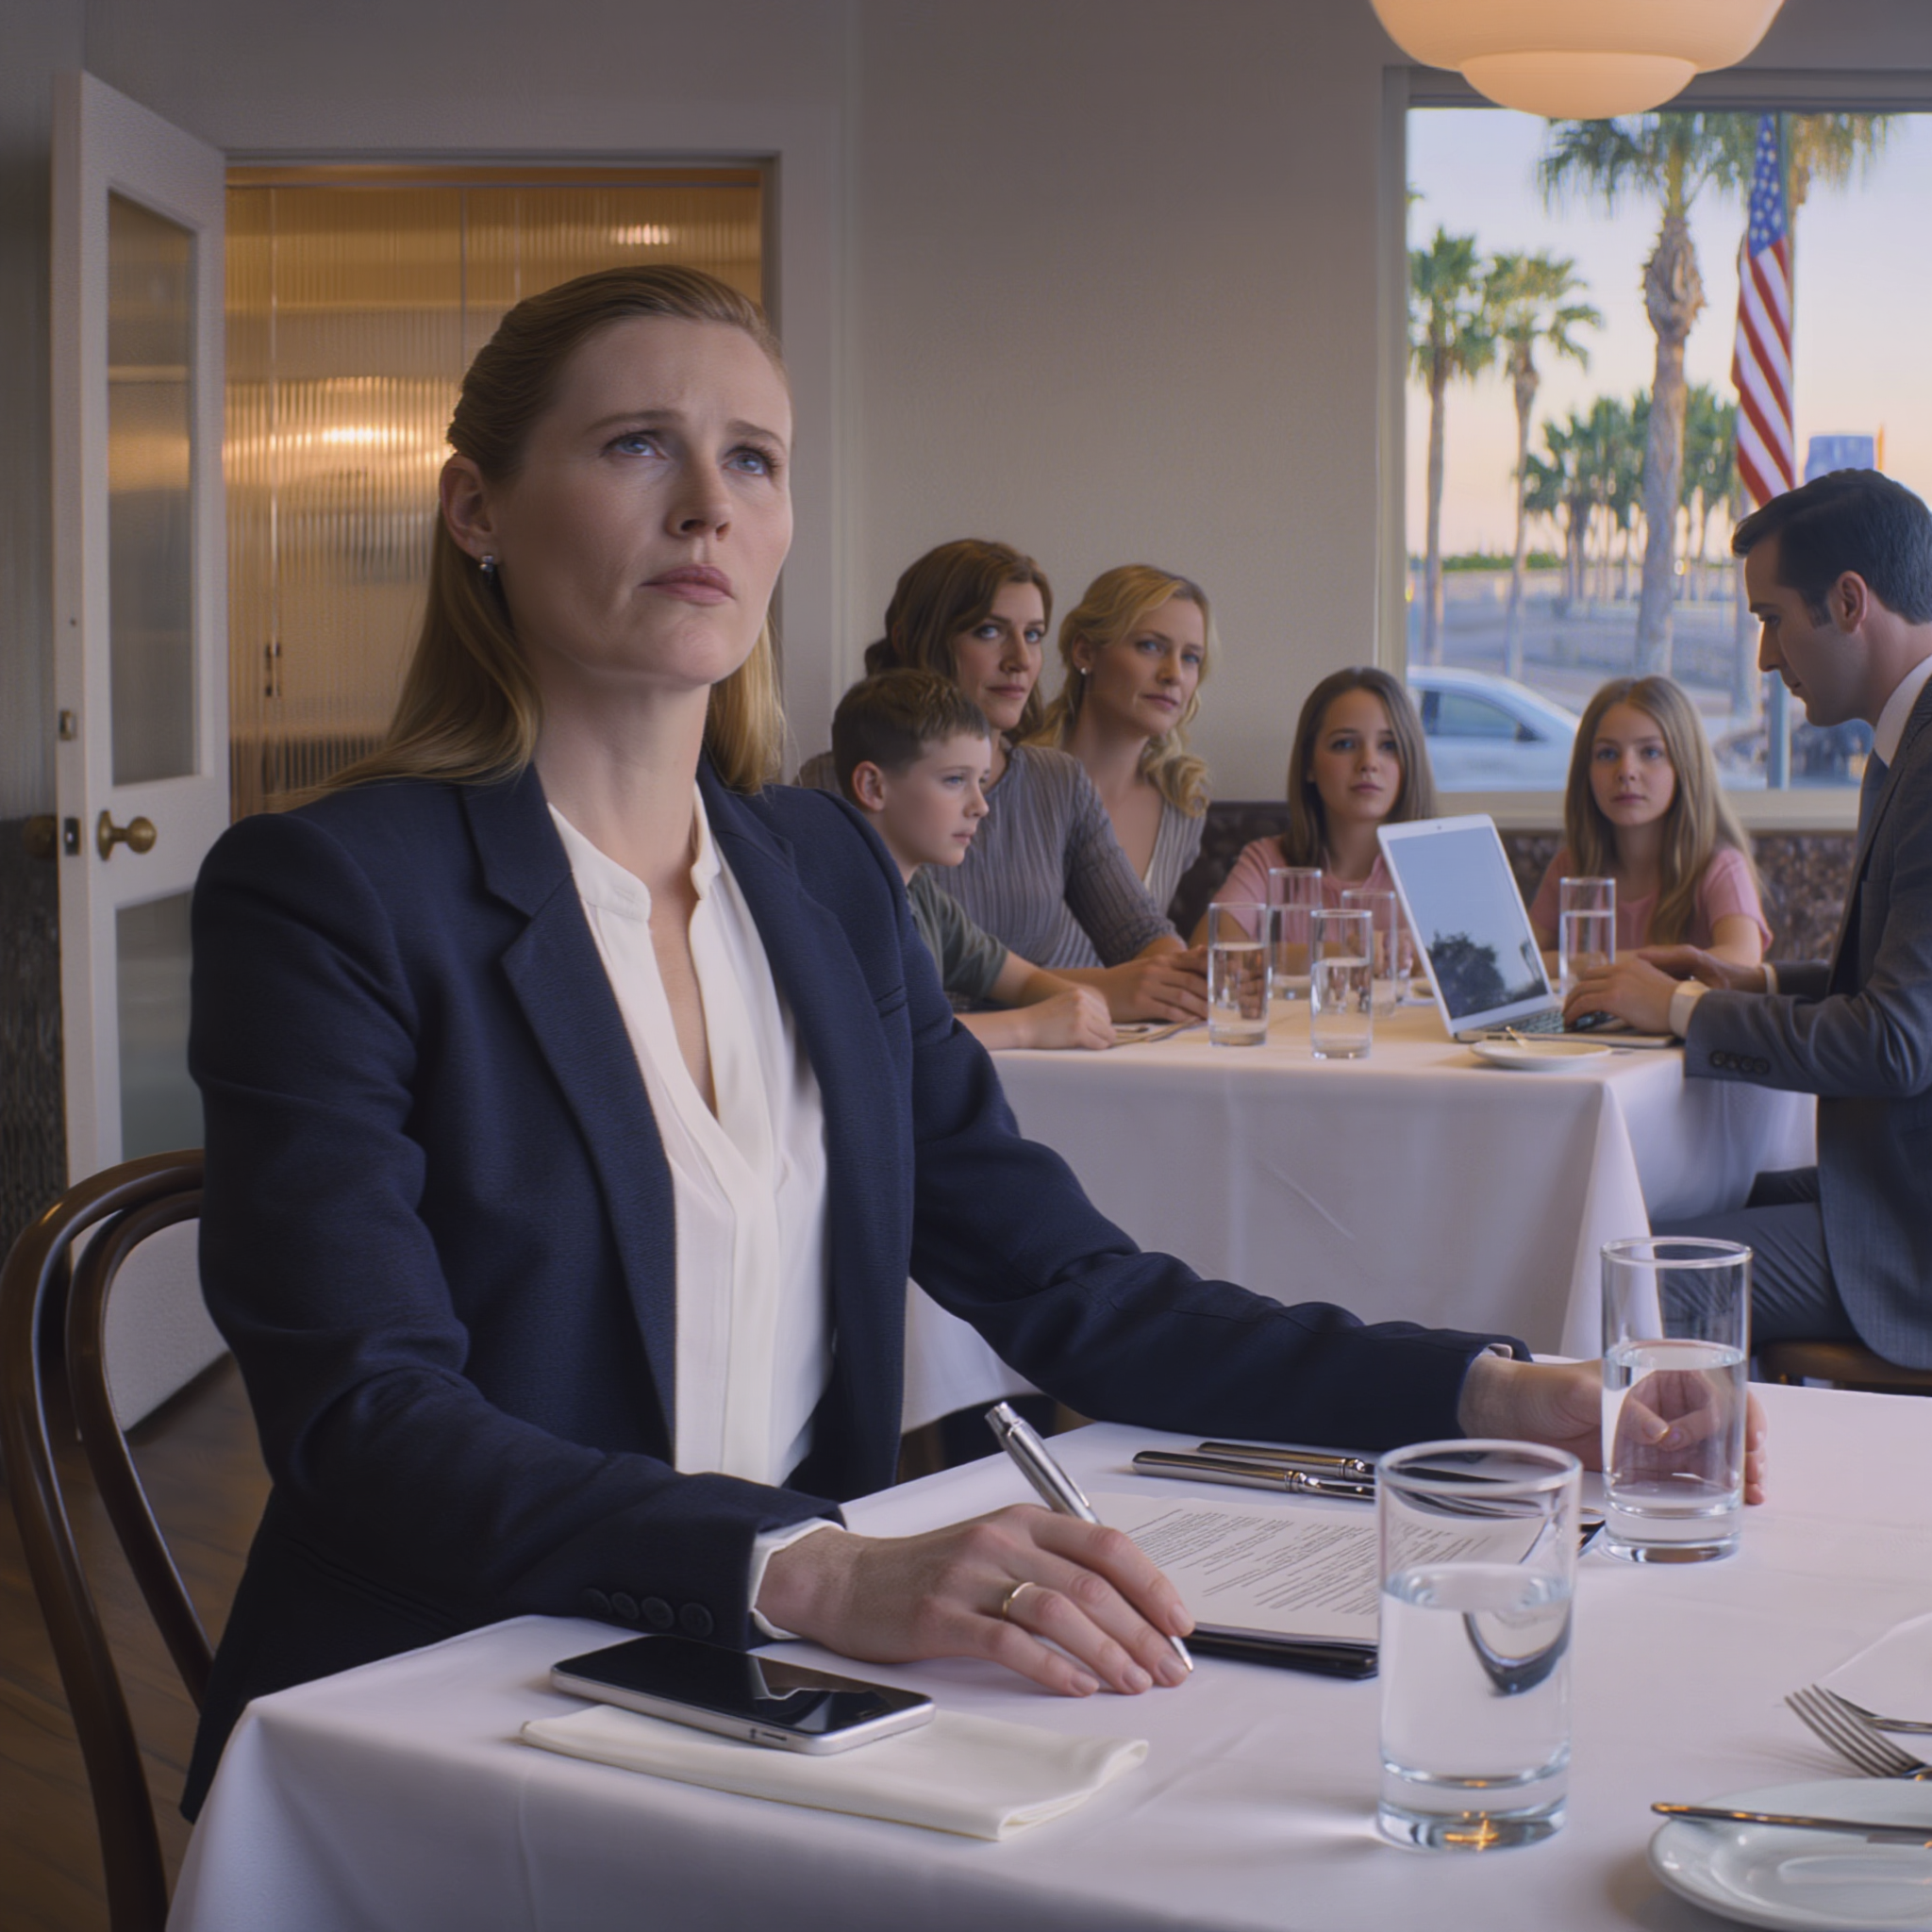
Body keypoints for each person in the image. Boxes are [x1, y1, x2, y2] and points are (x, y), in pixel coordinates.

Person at [182, 265, 1737, 1818]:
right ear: (476, 510)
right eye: (636, 446)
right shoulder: (332, 893)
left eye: (753, 459)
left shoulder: (819, 878)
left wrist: (1491, 1392)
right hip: (447, 1688)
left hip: (786, 1693)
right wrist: (808, 1567)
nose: (707, 509)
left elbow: (1073, 1287)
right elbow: (368, 1418)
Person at [1567, 469, 1932, 1367]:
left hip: (1913, 1230)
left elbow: (1896, 1043)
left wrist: (1682, 1010)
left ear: (1850, 602)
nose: (1765, 659)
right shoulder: (1905, 744)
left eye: (1770, 619)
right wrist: (1753, 980)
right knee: (1643, 1222)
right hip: (1896, 1184)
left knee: (1617, 1283)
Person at [801, 541, 1207, 1024]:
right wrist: (1092, 991)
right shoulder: (832, 784)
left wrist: (1186, 974)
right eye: (989, 631)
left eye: (1033, 635)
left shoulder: (1057, 781)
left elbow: (1139, 935)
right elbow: (863, 991)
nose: (1020, 659)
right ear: (914, 638)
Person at [832, 669, 1113, 1050]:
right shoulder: (843, 899)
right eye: (954, 780)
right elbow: (892, 1040)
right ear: (873, 786)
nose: (980, 806)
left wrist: (1078, 1001)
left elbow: (1019, 979)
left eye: (980, 781)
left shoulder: (922, 894)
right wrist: (1030, 1026)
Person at [1527, 675, 1770, 967]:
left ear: (1684, 766)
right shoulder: (1571, 866)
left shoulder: (1719, 867)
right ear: (1586, 771)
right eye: (1607, 754)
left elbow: (1741, 961)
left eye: (1651, 752)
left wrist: (1593, 965)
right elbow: (1522, 969)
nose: (1626, 771)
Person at [1194, 667, 1437, 940]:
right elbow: (1209, 955)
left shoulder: (1437, 868)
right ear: (1309, 763)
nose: (1368, 762)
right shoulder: (1268, 862)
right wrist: (1353, 954)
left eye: (1389, 746)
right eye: (1345, 744)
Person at [1027, 564, 1211, 918]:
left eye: (1190, 658)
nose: (1173, 674)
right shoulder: (1013, 780)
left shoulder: (1183, 806)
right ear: (1085, 652)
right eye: (1150, 646)